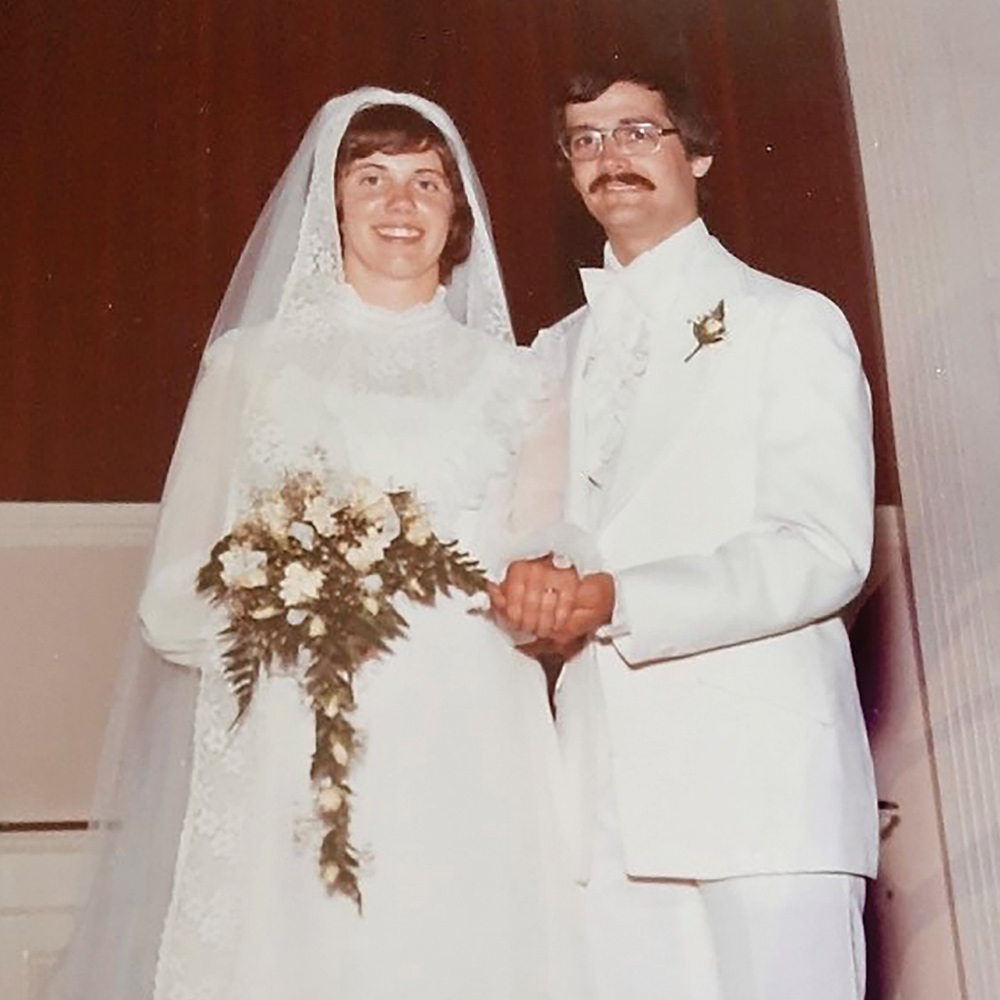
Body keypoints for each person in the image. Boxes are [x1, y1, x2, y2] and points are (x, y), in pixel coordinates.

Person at [47, 88, 588, 1000]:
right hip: (300, 737)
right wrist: (295, 599)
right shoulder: (252, 365)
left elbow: (536, 576)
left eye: (426, 181)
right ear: (331, 205)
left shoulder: (522, 381)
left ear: (459, 214)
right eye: (370, 178)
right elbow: (173, 595)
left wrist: (539, 600)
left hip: (468, 734)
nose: (399, 204)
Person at [493, 66, 879, 1000]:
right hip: (605, 804)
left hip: (764, 791)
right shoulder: (553, 352)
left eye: (636, 131)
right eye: (585, 140)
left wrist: (625, 599)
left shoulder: (787, 322)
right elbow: (528, 547)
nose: (609, 158)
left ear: (697, 152)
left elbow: (824, 549)